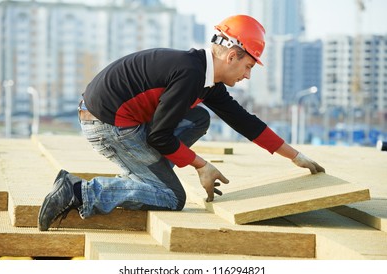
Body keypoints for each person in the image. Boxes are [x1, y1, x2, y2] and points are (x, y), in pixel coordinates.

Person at [38, 15, 325, 231]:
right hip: (108, 127)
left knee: (198, 118)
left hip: (117, 119)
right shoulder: (190, 75)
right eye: (248, 66)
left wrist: (296, 156)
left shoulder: (203, 76)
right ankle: (78, 191)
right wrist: (201, 165)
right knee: (172, 197)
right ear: (232, 55)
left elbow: (244, 122)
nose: (248, 75)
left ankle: (147, 178)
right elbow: (160, 137)